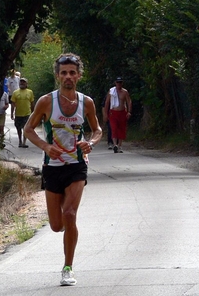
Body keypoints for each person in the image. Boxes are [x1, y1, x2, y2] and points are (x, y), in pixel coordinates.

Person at [24, 53, 102, 286]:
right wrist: (46, 146)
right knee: (57, 225)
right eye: (64, 73)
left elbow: (97, 130)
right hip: (52, 167)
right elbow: (29, 129)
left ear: (79, 75)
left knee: (70, 214)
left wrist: (91, 142)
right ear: (57, 76)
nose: (68, 76)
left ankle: (68, 267)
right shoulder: (46, 102)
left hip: (77, 165)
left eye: (72, 72)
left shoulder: (86, 102)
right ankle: (64, 237)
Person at [103, 77, 132, 153]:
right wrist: (105, 114)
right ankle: (115, 145)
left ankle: (119, 145)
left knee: (121, 128)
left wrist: (129, 111)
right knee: (114, 128)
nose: (119, 84)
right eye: (118, 82)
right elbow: (107, 102)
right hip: (113, 112)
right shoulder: (111, 91)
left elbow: (129, 101)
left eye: (120, 82)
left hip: (122, 112)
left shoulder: (125, 92)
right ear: (115, 83)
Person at [11, 78, 35, 148]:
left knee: (25, 128)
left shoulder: (30, 92)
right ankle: (20, 141)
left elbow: (32, 103)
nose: (22, 83)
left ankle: (24, 142)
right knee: (18, 128)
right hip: (18, 114)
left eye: (23, 82)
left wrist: (33, 113)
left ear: (26, 84)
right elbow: (13, 104)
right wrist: (12, 114)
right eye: (21, 82)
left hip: (27, 113)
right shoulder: (15, 92)